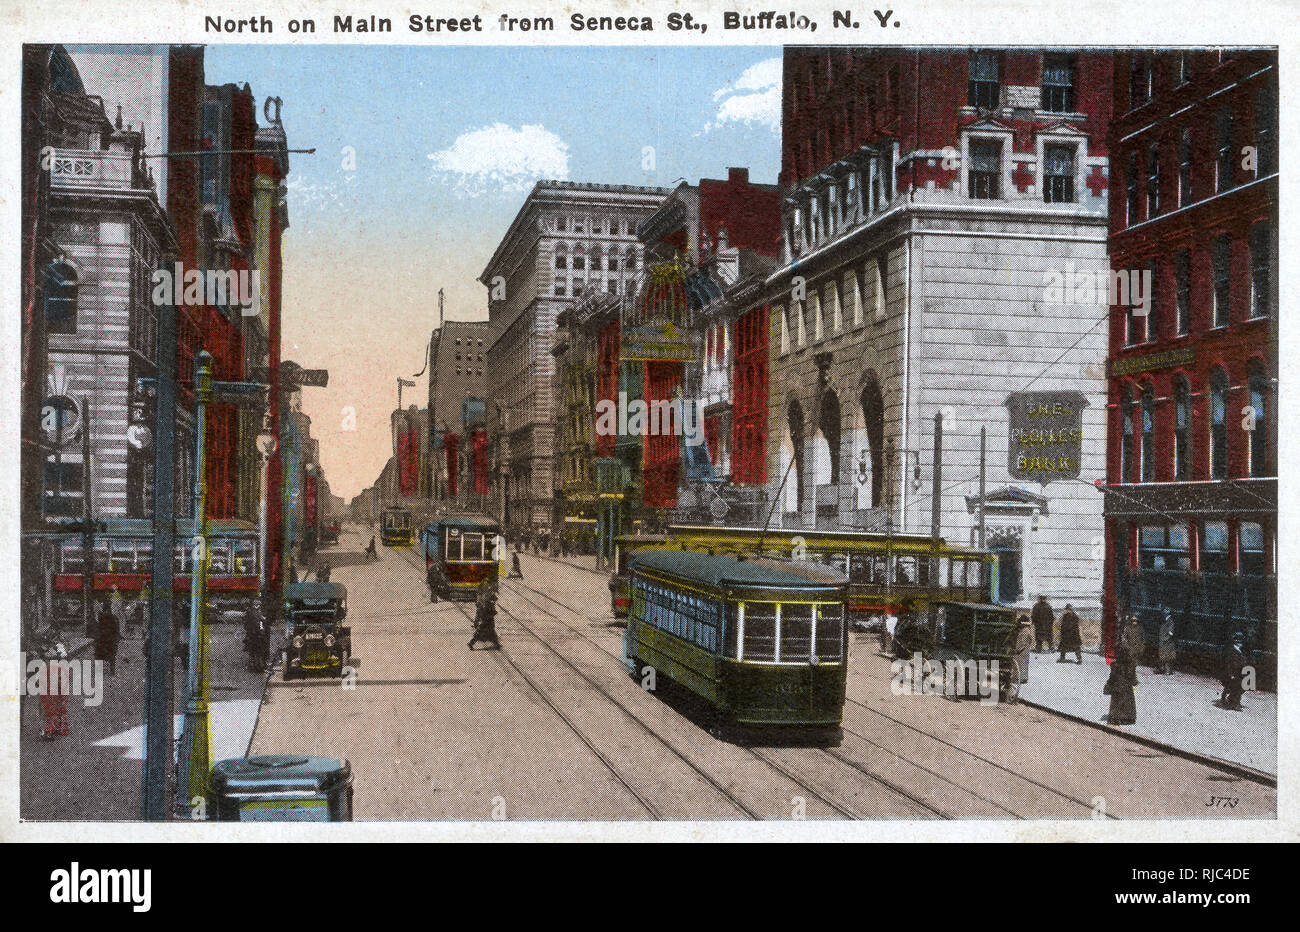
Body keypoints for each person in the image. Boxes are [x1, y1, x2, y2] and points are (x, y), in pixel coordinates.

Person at [35, 625, 69, 739]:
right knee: (57, 706)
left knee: (47, 708)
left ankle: (49, 731)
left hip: (48, 686)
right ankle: (56, 728)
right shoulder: (58, 649)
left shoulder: (44, 662)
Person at [1105, 613, 1140, 725]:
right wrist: (1134, 681)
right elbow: (1132, 674)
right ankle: (1128, 717)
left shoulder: (1116, 665)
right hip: (1126, 686)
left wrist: (1108, 685)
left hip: (1117, 686)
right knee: (1128, 701)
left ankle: (1116, 717)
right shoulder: (1130, 663)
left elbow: (1112, 677)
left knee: (1116, 702)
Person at [1218, 620, 1249, 711]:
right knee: (1238, 684)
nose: (1239, 642)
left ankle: (1231, 697)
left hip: (1239, 673)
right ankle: (1235, 703)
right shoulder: (1230, 651)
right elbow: (1227, 664)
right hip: (1230, 674)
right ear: (1234, 641)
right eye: (1238, 640)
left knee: (1246, 684)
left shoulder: (1241, 650)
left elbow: (1243, 662)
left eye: (1240, 641)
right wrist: (1231, 674)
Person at [468, 583, 500, 650]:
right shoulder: (486, 596)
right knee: (484, 631)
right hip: (486, 616)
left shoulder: (487, 594)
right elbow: (484, 606)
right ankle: (471, 643)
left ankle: (496, 644)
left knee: (490, 631)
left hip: (487, 616)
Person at [94, 600, 120, 676]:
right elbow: (116, 629)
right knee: (112, 655)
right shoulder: (114, 617)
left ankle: (99, 671)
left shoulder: (100, 617)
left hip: (102, 639)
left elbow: (97, 628)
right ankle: (112, 671)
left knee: (99, 655)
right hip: (111, 639)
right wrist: (116, 639)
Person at [1155, 608, 1176, 675]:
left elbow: (1171, 633)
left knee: (1167, 656)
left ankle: (1168, 671)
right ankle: (1162, 669)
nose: (1163, 612)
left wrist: (1165, 639)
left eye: (1165, 611)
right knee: (1162, 656)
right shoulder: (1165, 620)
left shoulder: (1170, 621)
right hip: (1163, 641)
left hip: (1167, 642)